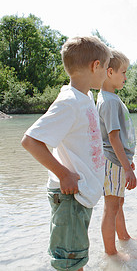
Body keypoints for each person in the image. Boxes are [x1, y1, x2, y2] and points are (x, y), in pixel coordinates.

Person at [21, 36, 111, 271]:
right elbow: (30, 141)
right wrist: (63, 174)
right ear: (95, 66)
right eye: (106, 67)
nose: (107, 73)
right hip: (70, 195)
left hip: (80, 194)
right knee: (70, 261)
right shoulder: (69, 102)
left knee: (76, 256)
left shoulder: (85, 96)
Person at [96, 49, 137, 260]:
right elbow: (113, 138)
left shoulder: (108, 98)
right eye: (123, 72)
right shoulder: (110, 101)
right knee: (111, 206)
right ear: (109, 72)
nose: (126, 77)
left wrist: (128, 161)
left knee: (117, 202)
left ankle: (124, 237)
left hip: (117, 161)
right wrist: (127, 168)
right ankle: (111, 252)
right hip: (113, 162)